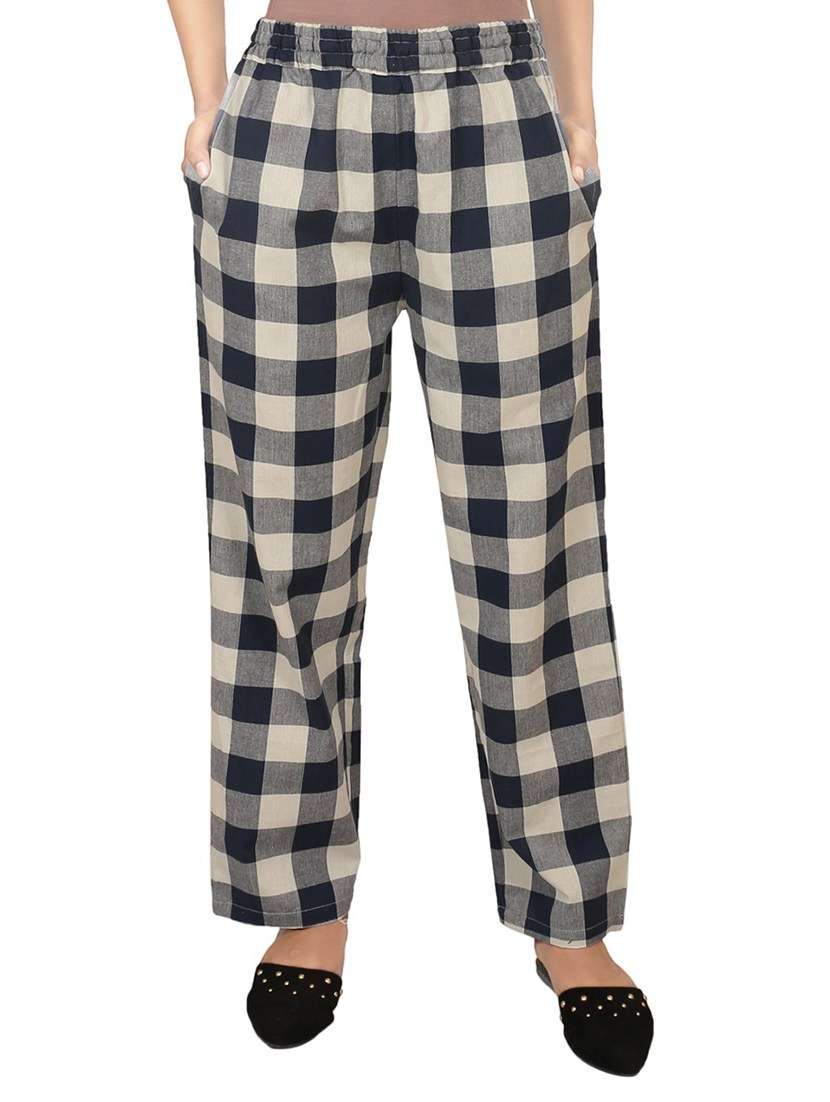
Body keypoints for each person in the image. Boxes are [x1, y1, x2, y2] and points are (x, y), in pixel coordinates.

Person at [168, 0, 653, 1073]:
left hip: (499, 101)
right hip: (289, 104)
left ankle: (569, 912)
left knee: (534, 532)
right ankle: (301, 898)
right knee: (282, 533)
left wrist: (577, 112)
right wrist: (207, 99)